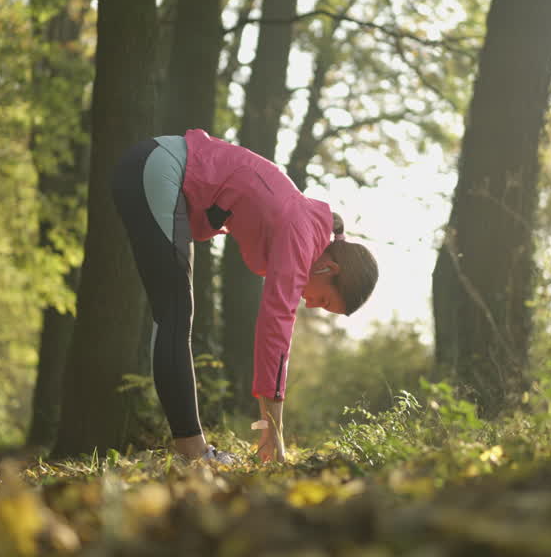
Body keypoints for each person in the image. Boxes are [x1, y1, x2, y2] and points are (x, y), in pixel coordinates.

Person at [111, 128, 378, 463]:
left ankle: (193, 453)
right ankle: (195, 455)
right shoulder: (303, 231)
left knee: (173, 312)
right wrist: (272, 433)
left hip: (154, 170)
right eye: (324, 301)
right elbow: (275, 326)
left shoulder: (305, 226)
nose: (311, 304)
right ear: (330, 270)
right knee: (175, 313)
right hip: (159, 167)